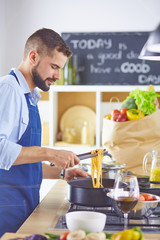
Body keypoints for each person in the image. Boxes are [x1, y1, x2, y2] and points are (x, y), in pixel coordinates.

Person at [0, 28, 88, 237]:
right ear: (33, 56)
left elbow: (20, 164)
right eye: (54, 67)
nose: (57, 76)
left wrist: (60, 173)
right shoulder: (9, 90)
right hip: (5, 211)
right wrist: (50, 153)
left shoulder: (29, 96)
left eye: (61, 69)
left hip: (22, 207)